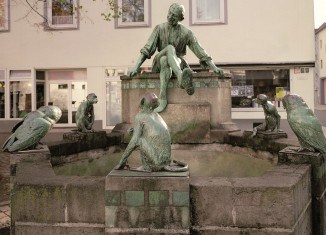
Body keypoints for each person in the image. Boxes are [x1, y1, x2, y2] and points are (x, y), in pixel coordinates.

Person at [129, 3, 224, 112]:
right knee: (169, 49)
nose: (170, 17)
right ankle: (180, 77)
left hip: (176, 62)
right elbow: (147, 49)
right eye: (169, 13)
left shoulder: (186, 33)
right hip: (159, 62)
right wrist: (136, 67)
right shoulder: (159, 28)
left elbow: (200, 51)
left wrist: (214, 67)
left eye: (174, 16)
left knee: (166, 60)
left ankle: (163, 98)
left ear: (180, 18)